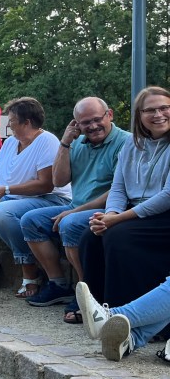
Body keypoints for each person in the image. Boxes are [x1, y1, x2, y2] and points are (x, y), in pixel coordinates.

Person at [20, 97, 129, 311]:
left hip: (110, 209)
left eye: (97, 119)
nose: (93, 126)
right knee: (31, 221)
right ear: (76, 124)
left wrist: (75, 212)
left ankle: (87, 293)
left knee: (70, 224)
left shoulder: (125, 142)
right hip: (77, 206)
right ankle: (59, 284)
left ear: (110, 115)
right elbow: (59, 181)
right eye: (85, 122)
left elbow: (118, 191)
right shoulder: (76, 143)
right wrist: (64, 143)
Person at [0, 98, 71, 298]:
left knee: (3, 212)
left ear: (26, 122)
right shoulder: (11, 142)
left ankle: (29, 268)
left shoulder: (47, 142)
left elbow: (46, 184)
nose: (8, 125)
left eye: (11, 120)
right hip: (11, 197)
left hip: (48, 198)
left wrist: (6, 190)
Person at [79, 86, 170, 310]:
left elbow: (167, 196)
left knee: (118, 236)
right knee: (90, 237)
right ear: (139, 115)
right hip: (136, 212)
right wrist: (109, 215)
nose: (158, 114)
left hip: (164, 214)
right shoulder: (132, 143)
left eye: (164, 108)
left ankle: (122, 312)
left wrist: (117, 219)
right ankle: (96, 308)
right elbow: (118, 187)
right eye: (150, 110)